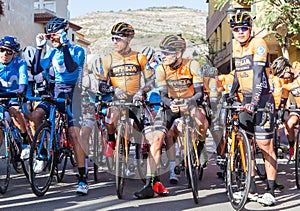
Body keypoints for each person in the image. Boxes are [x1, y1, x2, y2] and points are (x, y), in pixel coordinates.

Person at [134, 34, 209, 199]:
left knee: (201, 117)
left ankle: (201, 144)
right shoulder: (161, 69)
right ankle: (149, 183)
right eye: (162, 52)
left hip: (192, 103)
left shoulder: (193, 65)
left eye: (167, 53)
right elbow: (162, 95)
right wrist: (170, 104)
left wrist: (188, 103)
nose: (163, 56)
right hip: (171, 106)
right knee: (156, 139)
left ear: (178, 54)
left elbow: (199, 94)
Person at [30, 17, 88, 195]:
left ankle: (82, 179)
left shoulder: (78, 50)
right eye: (50, 36)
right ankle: (41, 153)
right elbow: (35, 70)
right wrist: (39, 48)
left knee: (74, 135)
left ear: (64, 34)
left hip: (73, 94)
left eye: (54, 35)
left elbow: (71, 68)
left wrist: (64, 46)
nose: (52, 39)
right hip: (55, 92)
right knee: (35, 116)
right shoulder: (52, 52)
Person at [228, 12, 277, 206]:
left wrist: (255, 102)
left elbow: (258, 75)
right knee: (245, 144)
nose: (240, 32)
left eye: (244, 28)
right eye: (236, 29)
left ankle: (271, 190)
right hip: (246, 98)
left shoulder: (258, 43)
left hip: (263, 99)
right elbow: (238, 74)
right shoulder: (235, 47)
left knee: (265, 146)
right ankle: (251, 188)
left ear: (250, 28)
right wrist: (231, 93)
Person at [0, 36, 29, 159]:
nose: (4, 54)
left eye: (9, 51)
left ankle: (25, 141)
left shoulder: (20, 63)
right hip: (1, 96)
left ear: (15, 54)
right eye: (1, 50)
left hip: (15, 96)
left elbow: (22, 87)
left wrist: (19, 93)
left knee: (14, 111)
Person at [275, 57, 300, 160]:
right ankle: (292, 149)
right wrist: (279, 116)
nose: (283, 79)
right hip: (298, 109)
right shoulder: (287, 84)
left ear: (287, 69)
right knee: (289, 124)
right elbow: (283, 102)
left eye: (282, 75)